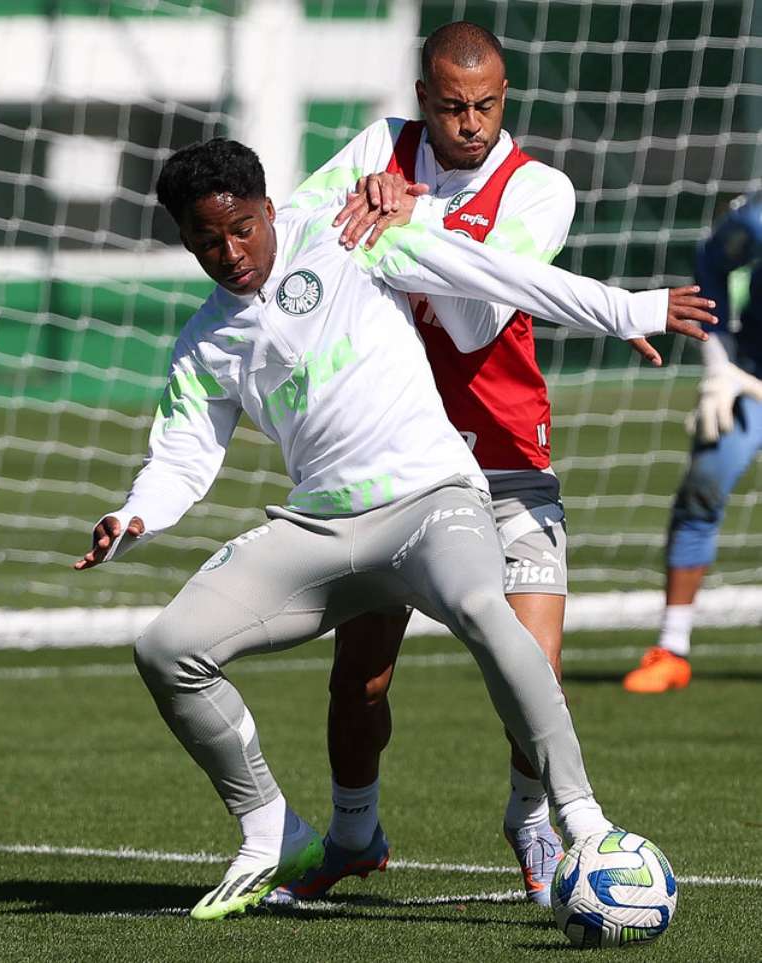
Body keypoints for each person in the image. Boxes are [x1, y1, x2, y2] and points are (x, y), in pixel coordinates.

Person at [74, 137, 713, 920]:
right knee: (166, 649)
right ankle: (274, 828)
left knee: (486, 609)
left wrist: (634, 308)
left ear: (269, 209)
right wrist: (133, 513)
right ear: (185, 239)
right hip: (322, 529)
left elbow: (498, 275)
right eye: (207, 240)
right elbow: (182, 457)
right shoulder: (205, 341)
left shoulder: (349, 238)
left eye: (242, 227)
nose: (230, 251)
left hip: (430, 501)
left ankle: (584, 821)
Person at [280, 20, 667, 906]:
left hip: (503, 457)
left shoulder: (539, 189)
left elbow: (470, 321)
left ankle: (531, 818)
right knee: (362, 672)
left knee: (534, 667)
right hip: (388, 463)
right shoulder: (383, 145)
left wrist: (414, 214)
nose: (469, 123)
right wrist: (373, 204)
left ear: (505, 98)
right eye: (451, 106)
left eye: (486, 105)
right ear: (423, 100)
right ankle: (352, 830)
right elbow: (300, 227)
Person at [623, 191, 762, 694]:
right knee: (705, 482)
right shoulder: (756, 219)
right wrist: (719, 363)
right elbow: (714, 258)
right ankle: (672, 647)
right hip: (754, 378)